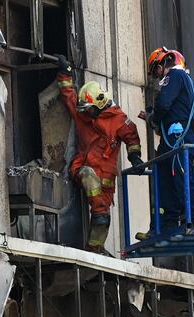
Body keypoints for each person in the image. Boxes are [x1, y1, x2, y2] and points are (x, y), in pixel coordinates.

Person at [55, 55, 143, 253]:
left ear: (99, 104)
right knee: (89, 177)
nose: (85, 113)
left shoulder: (118, 119)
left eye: (88, 109)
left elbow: (132, 136)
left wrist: (134, 156)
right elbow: (68, 94)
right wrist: (65, 72)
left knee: (102, 219)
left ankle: (94, 249)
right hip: (83, 168)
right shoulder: (83, 114)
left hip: (106, 178)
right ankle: (98, 213)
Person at [138, 47, 194, 236]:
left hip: (178, 138)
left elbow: (163, 103)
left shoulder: (174, 76)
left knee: (181, 177)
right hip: (177, 138)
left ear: (163, 63)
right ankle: (167, 224)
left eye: (155, 70)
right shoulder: (191, 84)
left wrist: (156, 118)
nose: (156, 76)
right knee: (166, 179)